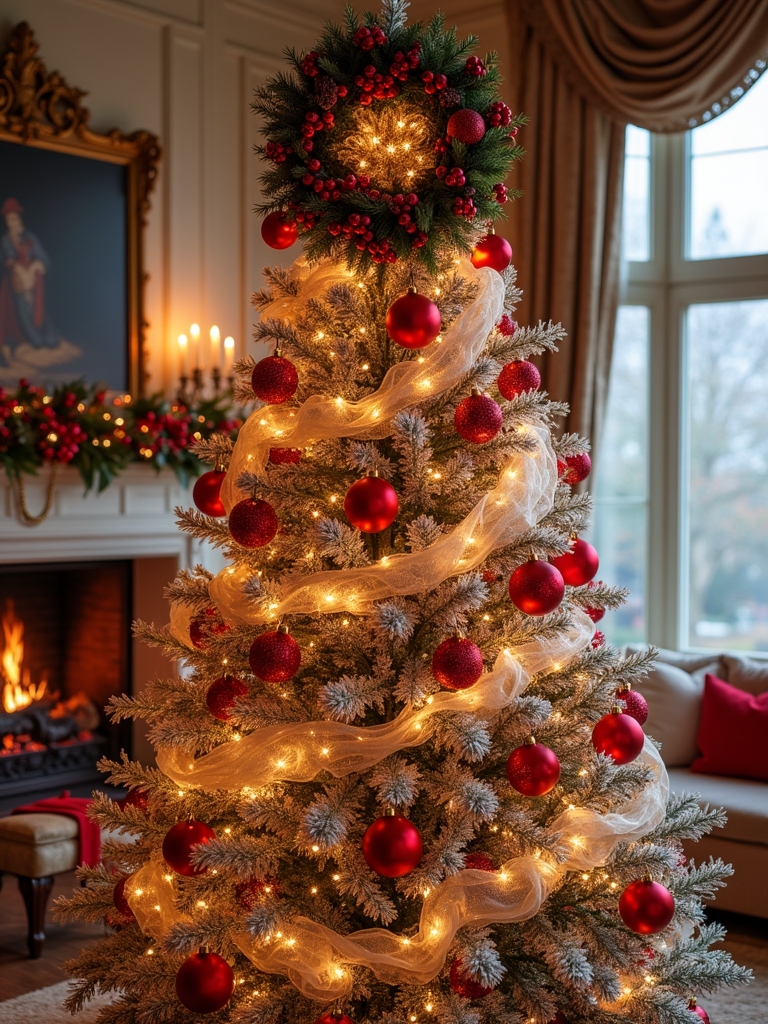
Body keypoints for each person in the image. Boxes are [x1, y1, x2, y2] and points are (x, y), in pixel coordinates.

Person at [0, 198, 59, 364]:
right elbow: (6, 260)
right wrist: (16, 267)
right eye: (8, 220)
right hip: (16, 283)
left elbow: (42, 258)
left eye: (14, 219)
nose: (12, 223)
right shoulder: (6, 240)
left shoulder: (30, 238)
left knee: (37, 309)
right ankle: (34, 339)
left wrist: (36, 265)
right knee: (22, 309)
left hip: (33, 282)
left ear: (19, 219)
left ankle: (48, 337)